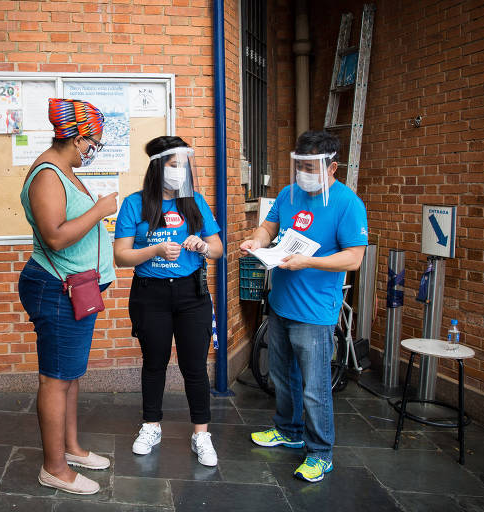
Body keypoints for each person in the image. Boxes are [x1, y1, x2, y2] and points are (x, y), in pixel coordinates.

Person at [241, 130, 368, 483]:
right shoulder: (289, 193)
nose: (303, 174)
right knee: (283, 377)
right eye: (300, 166)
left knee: (315, 388)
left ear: (332, 168)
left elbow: (353, 258)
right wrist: (256, 241)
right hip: (281, 303)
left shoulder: (347, 203)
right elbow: (269, 228)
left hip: (315, 312)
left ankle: (320, 453)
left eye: (311, 168)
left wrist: (308, 262)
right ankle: (288, 430)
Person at [18, 98, 118, 495]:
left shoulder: (64, 170)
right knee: (55, 379)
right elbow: (56, 237)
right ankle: (54, 468)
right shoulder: (47, 175)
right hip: (57, 289)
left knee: (70, 375)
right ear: (77, 139)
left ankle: (71, 449)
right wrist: (100, 210)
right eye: (94, 142)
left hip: (76, 289)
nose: (94, 149)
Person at [114, 136, 224, 467]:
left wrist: (203, 247)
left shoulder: (195, 202)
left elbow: (218, 249)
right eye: (174, 165)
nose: (181, 172)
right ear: (158, 167)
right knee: (154, 362)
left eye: (184, 166)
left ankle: (201, 434)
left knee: (195, 366)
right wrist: (155, 250)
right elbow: (121, 256)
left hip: (192, 295)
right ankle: (151, 426)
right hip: (151, 294)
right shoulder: (135, 204)